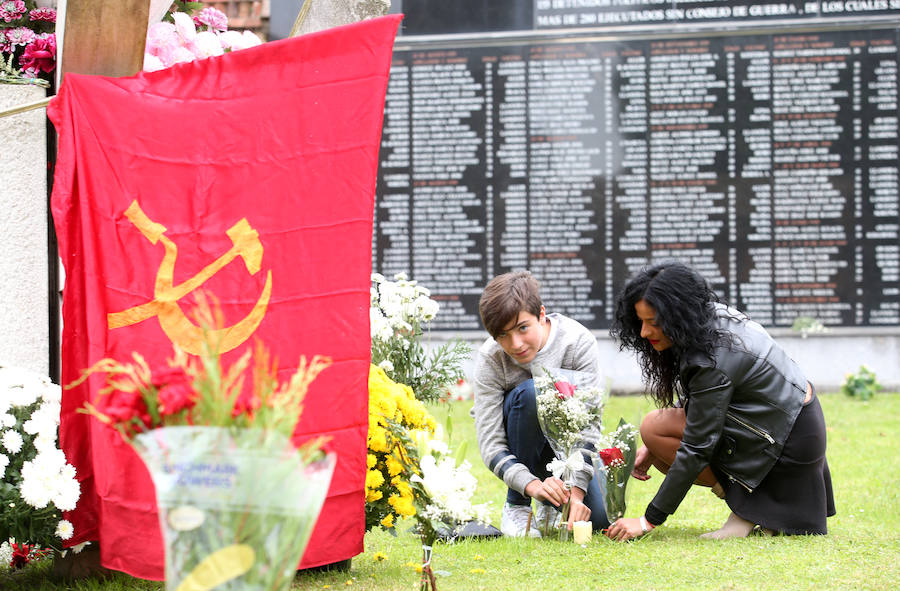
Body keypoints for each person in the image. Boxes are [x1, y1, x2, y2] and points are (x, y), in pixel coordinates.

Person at [605, 262, 835, 541]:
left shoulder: (713, 358)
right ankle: (757, 511)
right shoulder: (711, 320)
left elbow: (696, 446)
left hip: (788, 443)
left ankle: (748, 510)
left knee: (655, 427)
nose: (643, 332)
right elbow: (704, 400)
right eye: (640, 321)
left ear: (679, 316)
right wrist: (652, 451)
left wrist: (647, 520)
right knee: (657, 437)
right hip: (793, 428)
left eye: (653, 323)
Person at [472, 270, 610, 537]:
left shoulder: (577, 342)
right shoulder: (490, 359)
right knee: (534, 392)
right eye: (502, 335)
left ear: (542, 314)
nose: (515, 344)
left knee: (599, 519)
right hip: (520, 440)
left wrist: (577, 492)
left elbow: (589, 427)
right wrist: (531, 485)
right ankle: (518, 505)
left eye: (523, 328)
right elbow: (491, 444)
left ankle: (553, 500)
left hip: (566, 450)